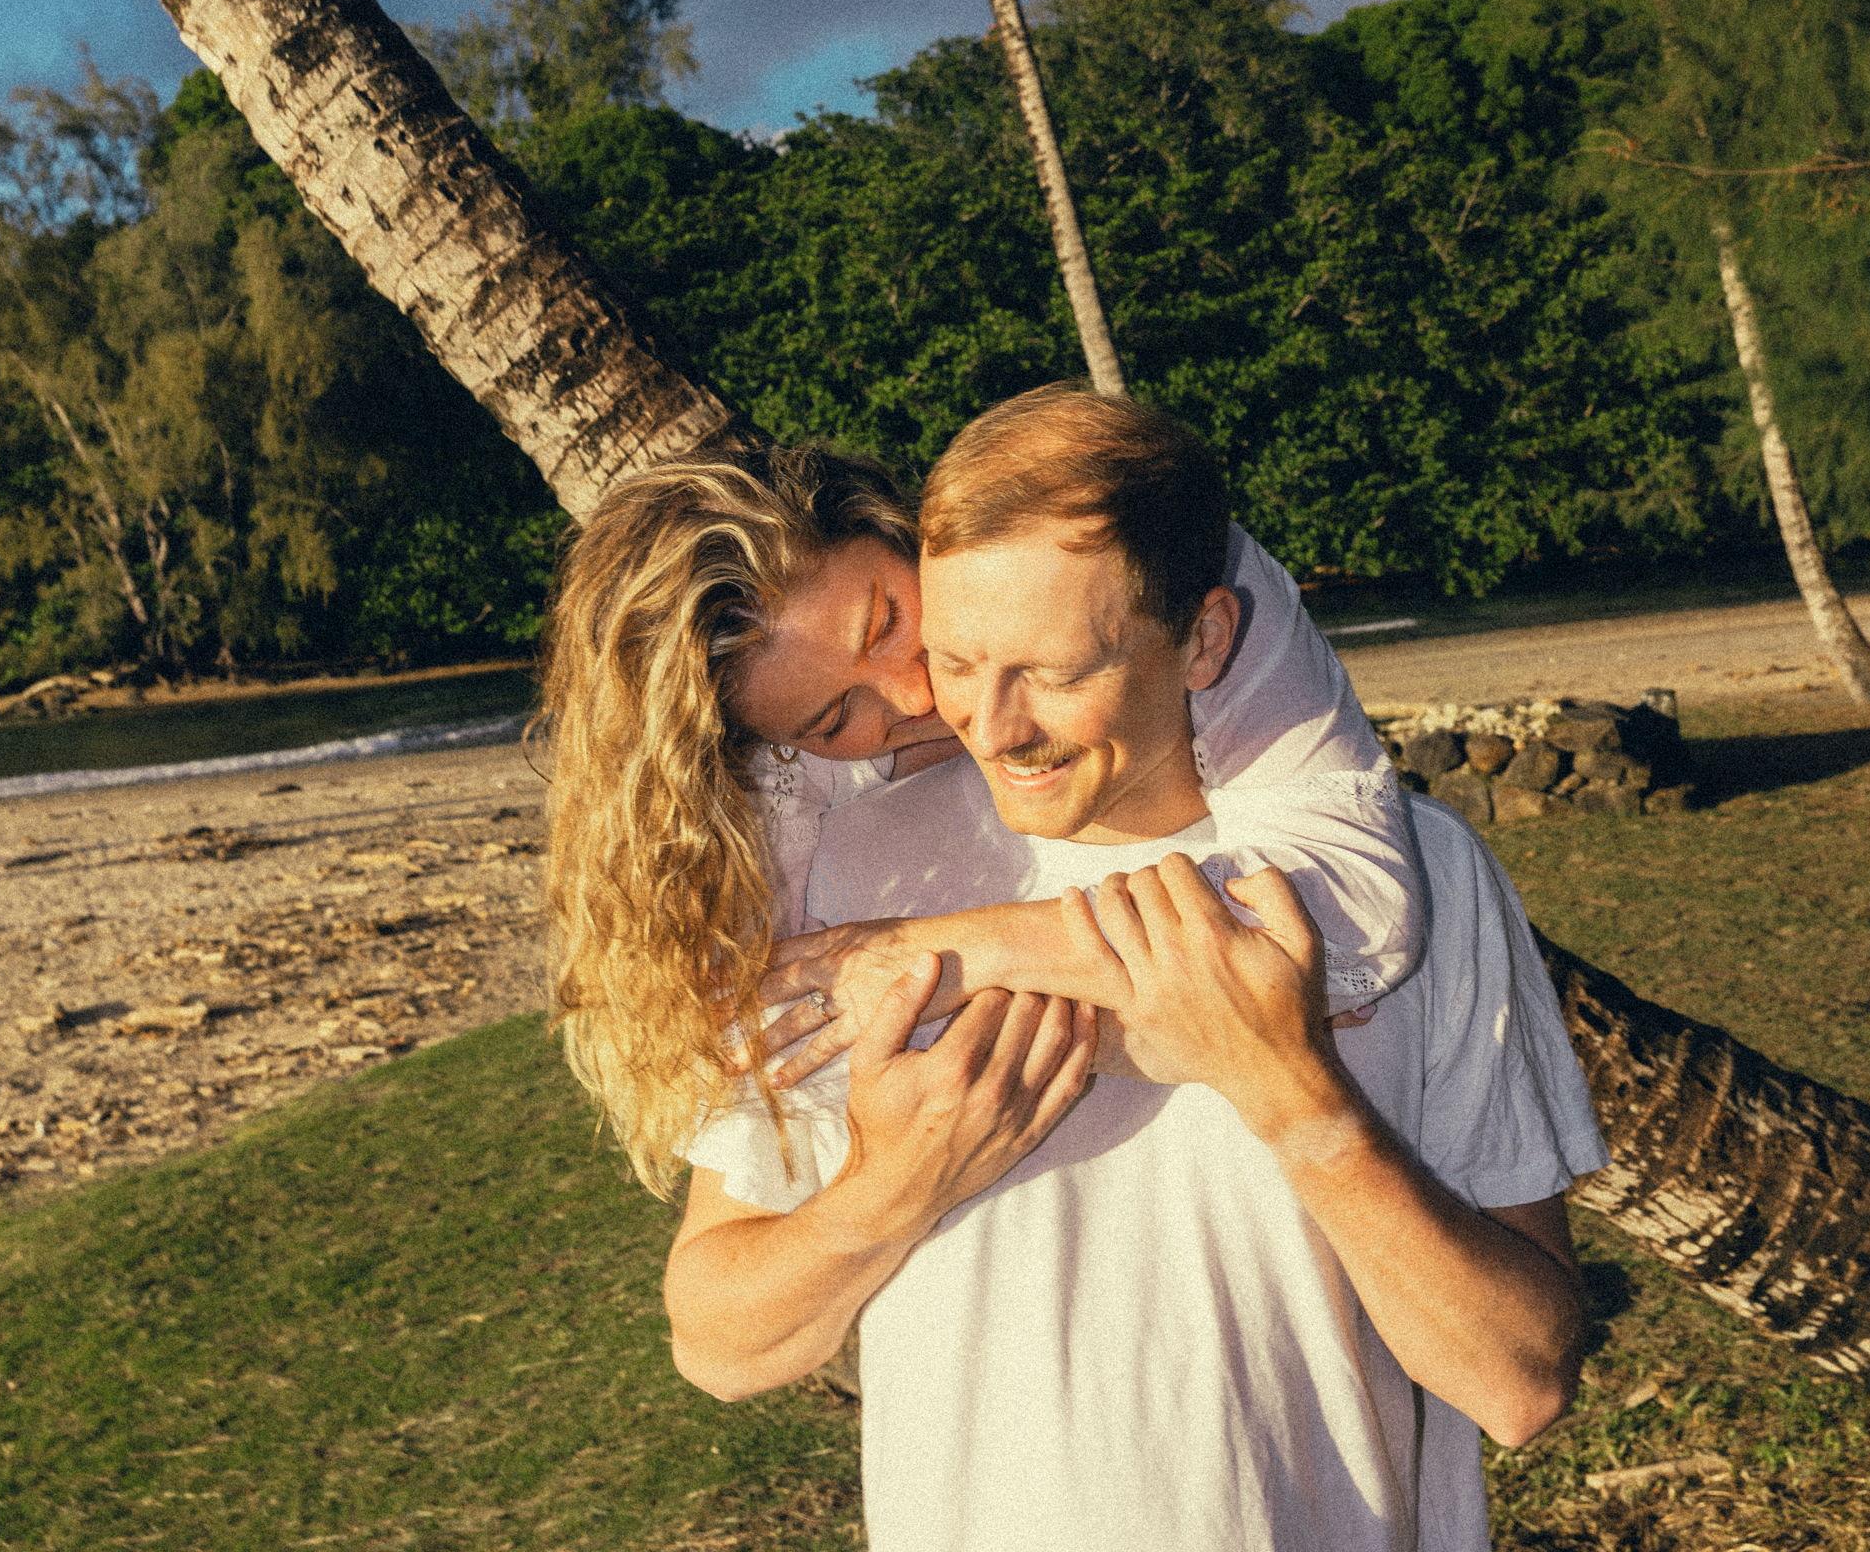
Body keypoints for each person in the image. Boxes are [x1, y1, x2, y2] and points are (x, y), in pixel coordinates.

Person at [664, 387, 1606, 1551]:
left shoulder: (1422, 874)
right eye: (955, 660)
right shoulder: (845, 883)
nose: (985, 724)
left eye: (1055, 670)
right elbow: (716, 1339)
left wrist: (1296, 1097)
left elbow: (1521, 1380)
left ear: (1205, 635)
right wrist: (892, 1186)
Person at [534, 424, 1423, 1206]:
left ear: (899, 533)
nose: (916, 695)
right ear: (775, 747)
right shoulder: (787, 805)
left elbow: (1360, 915)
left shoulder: (1123, 565)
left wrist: (935, 954)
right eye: (835, 720)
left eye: (888, 623)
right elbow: (762, 1063)